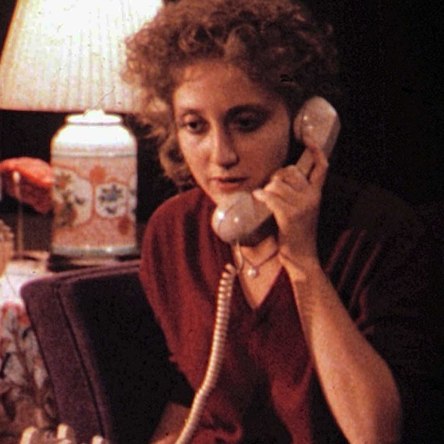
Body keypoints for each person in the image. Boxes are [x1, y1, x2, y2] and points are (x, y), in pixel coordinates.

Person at [125, 0, 441, 442]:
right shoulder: (173, 232)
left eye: (246, 122)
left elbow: (374, 432)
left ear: (303, 122)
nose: (221, 155)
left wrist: (302, 260)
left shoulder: (377, 233)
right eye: (195, 126)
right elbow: (192, 395)